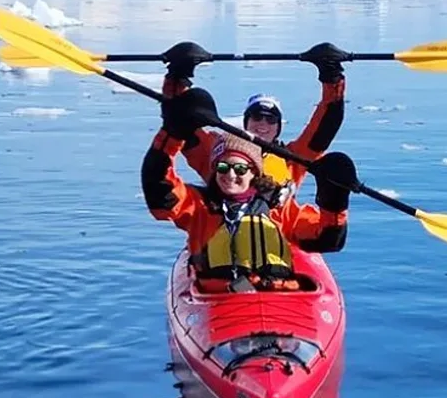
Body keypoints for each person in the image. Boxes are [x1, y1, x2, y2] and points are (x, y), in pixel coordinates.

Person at [141, 86, 358, 293]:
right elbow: (180, 121)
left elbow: (328, 238)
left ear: (254, 173)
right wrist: (177, 83)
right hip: (220, 299)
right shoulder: (201, 205)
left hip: (276, 292)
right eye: (223, 168)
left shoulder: (287, 184)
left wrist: (334, 198)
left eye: (241, 168)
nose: (231, 175)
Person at [159, 40, 349, 193]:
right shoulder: (216, 152)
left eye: (271, 119)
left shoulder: (293, 159)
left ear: (278, 127)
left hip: (274, 235)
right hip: (223, 234)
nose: (263, 124)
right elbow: (179, 122)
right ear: (246, 122)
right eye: (257, 117)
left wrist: (332, 76)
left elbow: (326, 126)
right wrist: (177, 76)